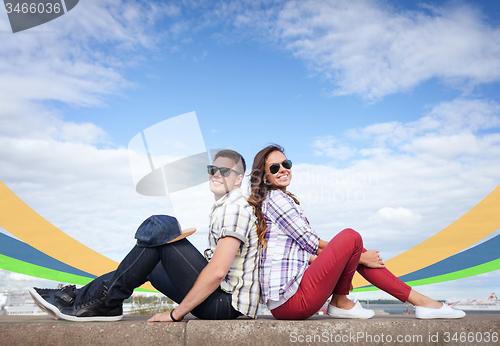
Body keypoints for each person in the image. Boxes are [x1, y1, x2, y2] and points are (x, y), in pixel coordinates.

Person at [30, 149, 260, 322]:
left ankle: (83, 299)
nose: (216, 175)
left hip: (224, 304)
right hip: (218, 303)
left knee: (163, 230)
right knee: (151, 262)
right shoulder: (224, 206)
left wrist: (175, 315)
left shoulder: (235, 208)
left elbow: (218, 271)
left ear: (239, 178)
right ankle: (86, 299)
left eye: (225, 171)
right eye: (213, 170)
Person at [247, 144, 466, 320]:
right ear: (265, 177)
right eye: (274, 168)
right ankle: (344, 301)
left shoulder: (277, 200)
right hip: (292, 303)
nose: (283, 169)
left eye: (286, 163)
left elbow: (308, 254)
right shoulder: (276, 199)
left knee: (353, 245)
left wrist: (355, 256)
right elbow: (311, 242)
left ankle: (417, 301)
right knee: (351, 237)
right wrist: (360, 257)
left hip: (288, 301)